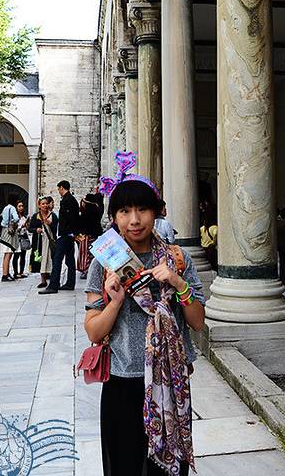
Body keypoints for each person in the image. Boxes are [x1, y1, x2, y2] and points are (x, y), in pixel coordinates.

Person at [85, 176, 204, 476]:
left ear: (157, 212)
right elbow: (93, 331)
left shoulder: (178, 259)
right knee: (124, 466)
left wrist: (178, 283)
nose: (134, 220)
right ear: (114, 217)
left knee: (167, 469)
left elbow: (197, 322)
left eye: (142, 209)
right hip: (123, 382)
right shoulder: (105, 263)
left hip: (171, 381)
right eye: (124, 211)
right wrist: (114, 302)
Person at [39, 181, 80, 294]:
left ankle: (53, 285)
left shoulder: (67, 200)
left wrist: (66, 231)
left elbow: (70, 218)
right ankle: (70, 283)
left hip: (65, 235)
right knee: (70, 260)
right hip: (69, 235)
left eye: (58, 189)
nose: (58, 191)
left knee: (57, 259)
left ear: (62, 188)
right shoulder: (71, 200)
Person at [28, 197, 58, 288]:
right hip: (39, 242)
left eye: (46, 203)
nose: (45, 205)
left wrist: (50, 224)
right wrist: (36, 230)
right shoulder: (36, 216)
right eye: (43, 204)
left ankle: (53, 279)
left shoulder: (53, 216)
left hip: (50, 241)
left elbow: (56, 229)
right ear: (39, 206)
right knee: (42, 260)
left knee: (51, 259)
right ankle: (43, 280)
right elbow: (30, 228)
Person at [77, 194, 104, 278]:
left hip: (88, 235)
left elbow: (82, 223)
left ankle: (86, 270)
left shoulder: (87, 212)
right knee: (93, 253)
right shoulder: (98, 210)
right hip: (95, 234)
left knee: (86, 253)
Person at [0, 194, 20, 282]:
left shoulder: (6, 208)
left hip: (4, 231)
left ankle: (6, 273)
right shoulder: (12, 208)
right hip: (9, 232)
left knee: (6, 254)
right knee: (8, 253)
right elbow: (16, 218)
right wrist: (14, 222)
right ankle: (5, 274)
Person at [12, 201, 29, 279]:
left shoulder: (24, 217)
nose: (21, 208)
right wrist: (21, 226)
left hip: (24, 236)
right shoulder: (14, 218)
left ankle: (21, 272)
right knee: (16, 255)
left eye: (22, 206)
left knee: (23, 255)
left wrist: (27, 225)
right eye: (19, 206)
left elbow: (27, 228)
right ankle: (15, 273)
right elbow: (14, 229)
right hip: (17, 238)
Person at [200, 204, 218, 271]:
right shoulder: (214, 228)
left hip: (204, 249)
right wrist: (214, 242)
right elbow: (215, 234)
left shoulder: (202, 228)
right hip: (211, 249)